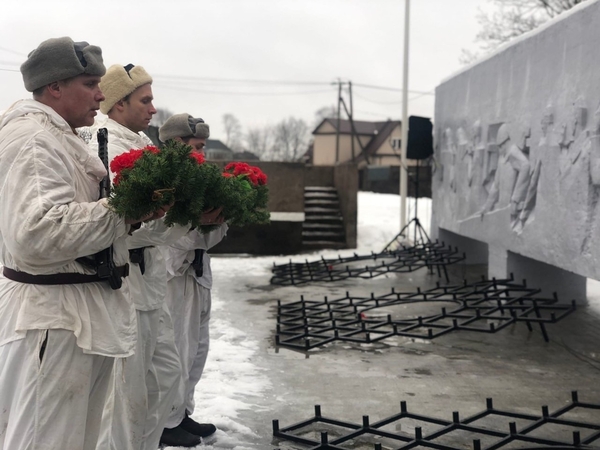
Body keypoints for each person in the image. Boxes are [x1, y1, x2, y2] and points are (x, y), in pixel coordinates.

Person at [0, 37, 163, 450]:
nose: (100, 94)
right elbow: (37, 232)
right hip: (54, 319)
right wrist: (125, 209)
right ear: (55, 86)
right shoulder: (35, 140)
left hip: (73, 315)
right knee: (46, 440)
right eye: (91, 83)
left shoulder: (59, 136)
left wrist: (134, 213)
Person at [89, 65, 198, 449]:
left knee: (165, 377)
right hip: (130, 282)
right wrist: (181, 220)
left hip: (151, 282)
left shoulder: (139, 143)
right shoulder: (106, 145)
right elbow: (124, 221)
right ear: (119, 104)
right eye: (145, 100)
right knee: (126, 394)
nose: (153, 109)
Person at [158, 113, 227, 442]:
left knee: (197, 348)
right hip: (175, 274)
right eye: (195, 147)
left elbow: (208, 236)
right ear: (176, 145)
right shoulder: (167, 178)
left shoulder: (199, 178)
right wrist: (207, 227)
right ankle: (166, 423)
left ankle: (182, 412)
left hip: (198, 273)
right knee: (177, 348)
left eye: (202, 147)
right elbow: (182, 236)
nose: (201, 154)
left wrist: (219, 219)